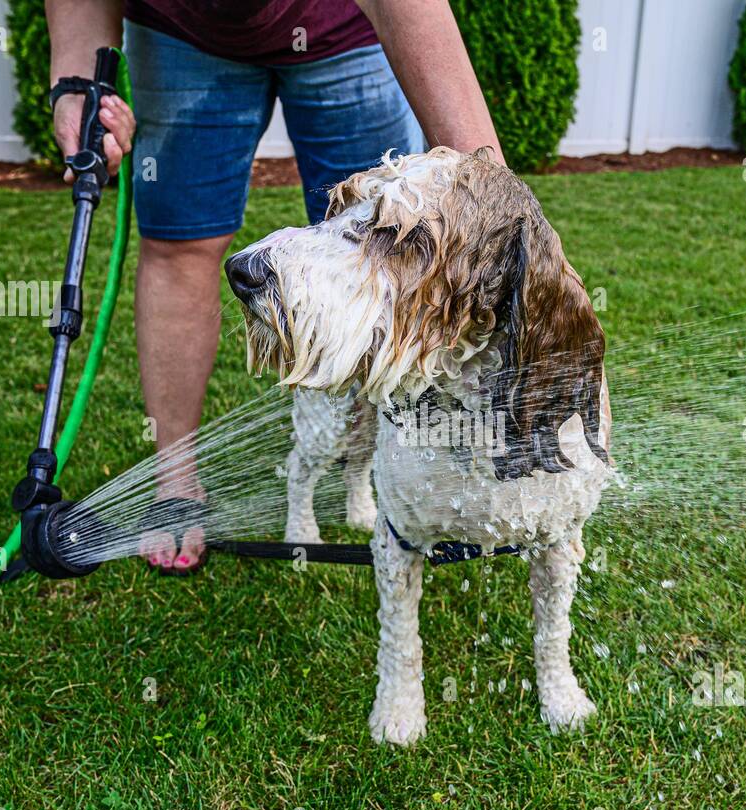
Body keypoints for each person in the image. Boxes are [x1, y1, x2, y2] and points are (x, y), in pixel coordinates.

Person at [46, 0, 502, 574]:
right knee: (178, 243)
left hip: (343, 28)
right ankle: (176, 480)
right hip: (183, 36)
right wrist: (74, 84)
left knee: (388, 241)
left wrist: (489, 194)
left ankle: (404, 467)